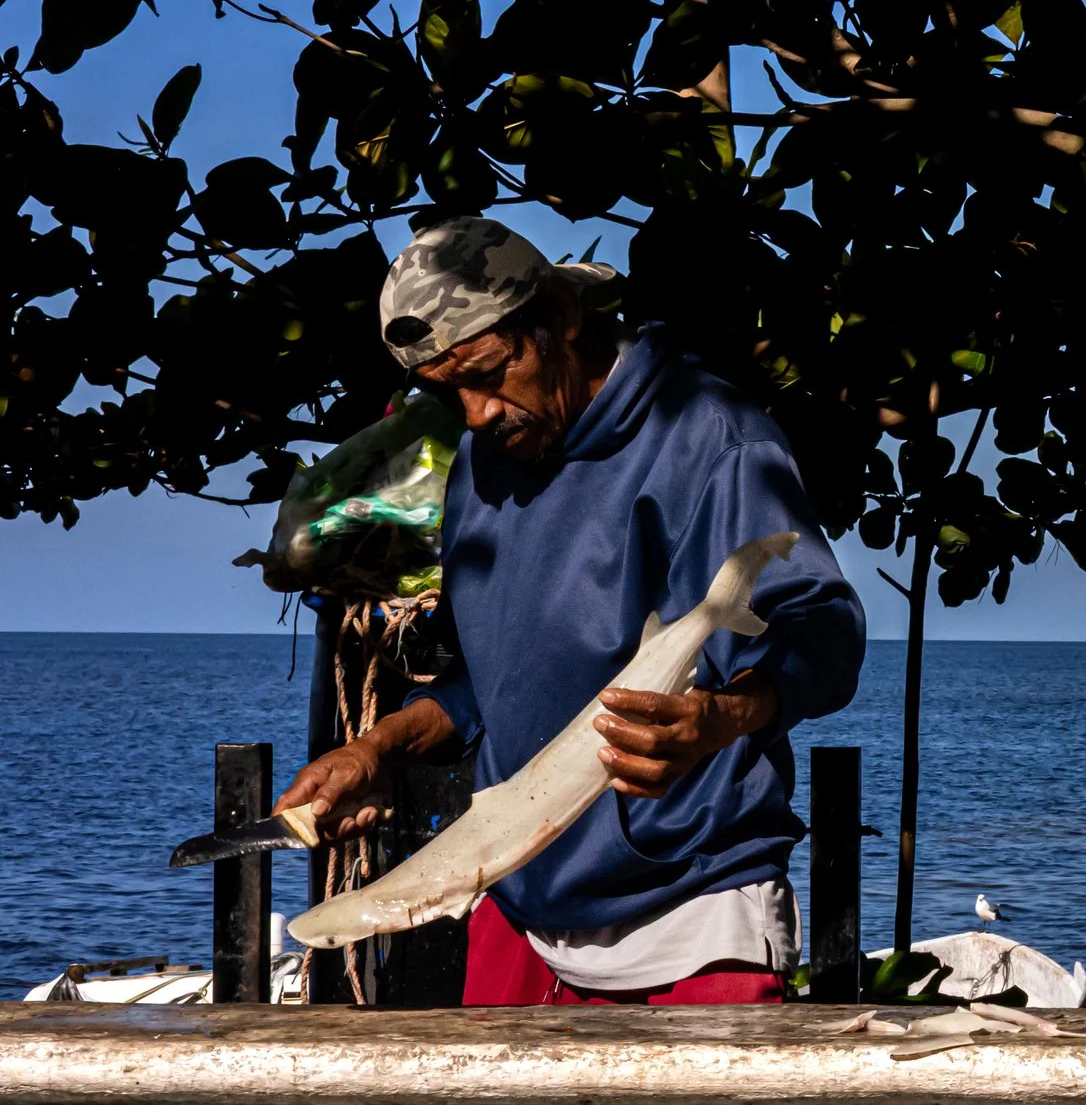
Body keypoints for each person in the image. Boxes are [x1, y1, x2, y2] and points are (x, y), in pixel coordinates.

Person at [275, 216, 867, 1006]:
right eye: (450, 391)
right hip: (519, 902)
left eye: (489, 371)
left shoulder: (711, 440)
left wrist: (722, 718)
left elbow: (825, 632)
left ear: (558, 318)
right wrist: (380, 748)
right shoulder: (482, 471)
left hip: (691, 908)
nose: (477, 413)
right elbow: (481, 688)